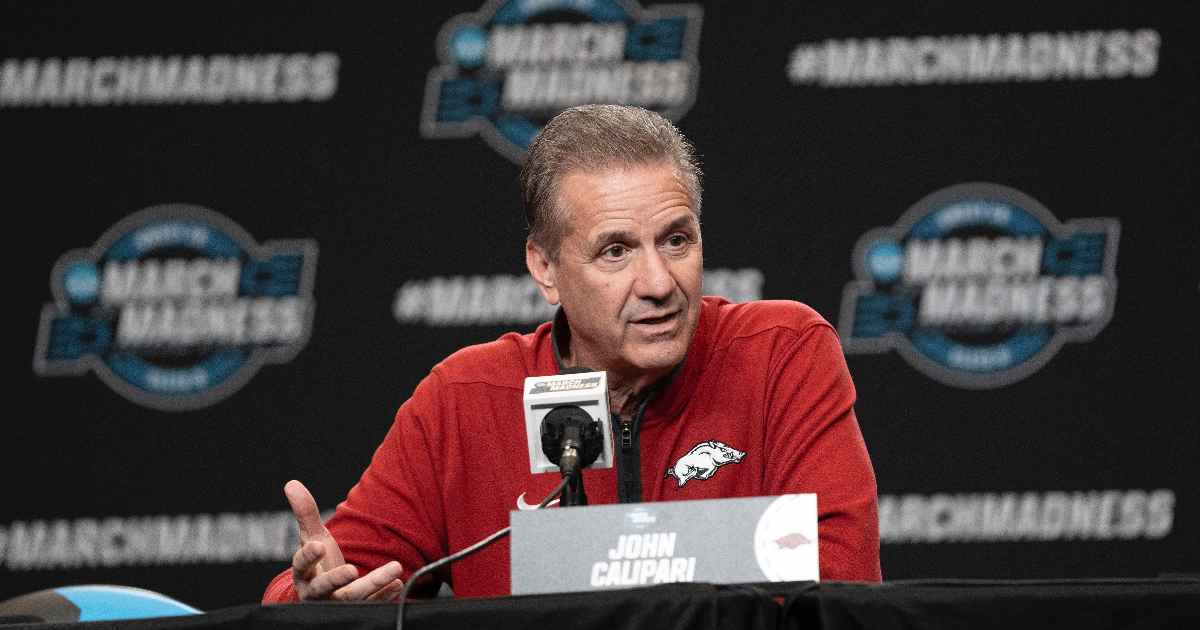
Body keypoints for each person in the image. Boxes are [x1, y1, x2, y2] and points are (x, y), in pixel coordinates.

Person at [263, 104, 880, 603]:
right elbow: (320, 586)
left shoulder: (781, 355)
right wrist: (315, 602)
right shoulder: (464, 400)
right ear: (545, 267)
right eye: (615, 251)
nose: (659, 283)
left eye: (676, 239)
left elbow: (844, 593)